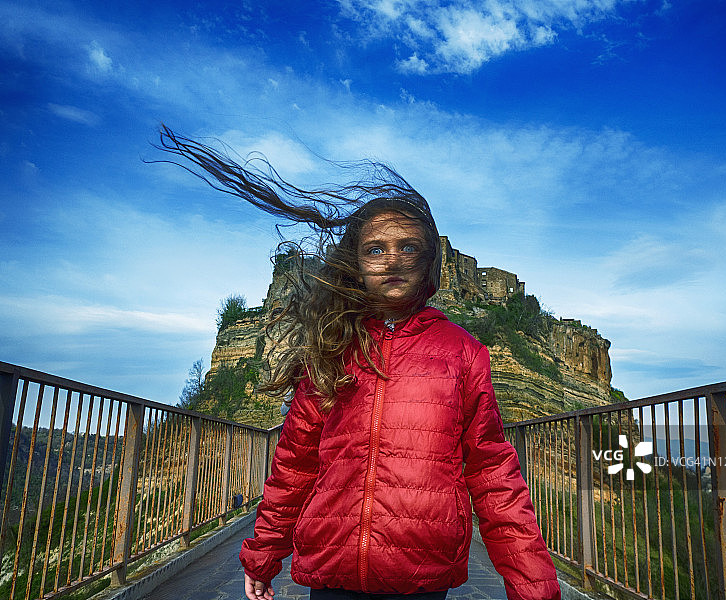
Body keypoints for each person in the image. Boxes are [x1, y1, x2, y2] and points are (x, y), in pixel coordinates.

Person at [155, 126, 561, 600]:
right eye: (375, 249)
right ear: (356, 262)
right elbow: (295, 463)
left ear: (431, 262)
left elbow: (494, 475)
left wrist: (533, 585)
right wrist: (263, 553)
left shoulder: (462, 352)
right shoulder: (331, 346)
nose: (391, 259)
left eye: (408, 246)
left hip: (420, 576)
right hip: (333, 568)